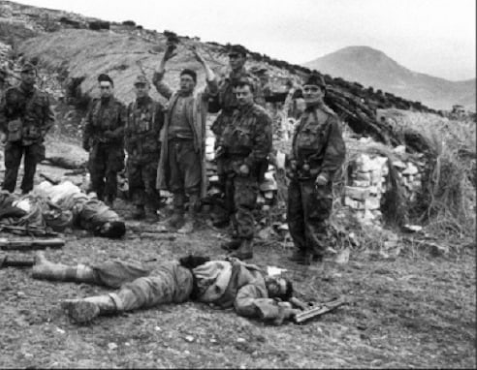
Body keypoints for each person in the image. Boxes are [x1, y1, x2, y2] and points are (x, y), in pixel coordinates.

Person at [32, 252, 298, 325]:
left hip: (183, 283)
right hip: (178, 267)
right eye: (279, 280)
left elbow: (244, 305)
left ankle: (95, 305)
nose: (275, 283)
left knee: (144, 289)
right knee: (116, 269)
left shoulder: (256, 289)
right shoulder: (255, 271)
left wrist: (281, 309)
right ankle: (51, 269)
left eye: (279, 288)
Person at [0, 180, 126, 239]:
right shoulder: (49, 215)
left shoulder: (42, 214)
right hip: (6, 206)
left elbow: (9, 212)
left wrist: (37, 200)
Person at [286, 73, 346, 265]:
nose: (309, 93)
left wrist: (326, 173)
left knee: (315, 216)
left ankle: (317, 255)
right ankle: (301, 250)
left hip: (316, 177)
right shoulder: (304, 115)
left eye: (314, 89)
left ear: (322, 93)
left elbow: (336, 149)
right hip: (299, 175)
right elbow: (296, 143)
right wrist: (292, 161)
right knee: (295, 213)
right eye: (306, 89)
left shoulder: (329, 118)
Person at [153, 43, 209, 234]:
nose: (184, 83)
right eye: (182, 80)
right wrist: (165, 57)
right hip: (172, 146)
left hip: (189, 148)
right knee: (175, 183)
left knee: (192, 185)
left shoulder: (198, 100)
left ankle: (191, 220)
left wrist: (202, 61)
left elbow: (213, 85)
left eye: (188, 80)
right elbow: (156, 80)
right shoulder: (173, 97)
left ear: (194, 83)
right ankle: (177, 216)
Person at [215, 80, 273, 260]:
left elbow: (263, 147)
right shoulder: (236, 114)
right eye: (238, 94)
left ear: (252, 94)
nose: (240, 97)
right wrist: (222, 149)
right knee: (232, 203)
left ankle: (246, 244)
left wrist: (248, 164)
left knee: (244, 205)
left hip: (246, 167)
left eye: (244, 93)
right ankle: (237, 237)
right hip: (230, 165)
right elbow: (228, 136)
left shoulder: (261, 116)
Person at [0, 63, 55, 195]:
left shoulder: (42, 96)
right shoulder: (10, 93)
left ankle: (26, 194)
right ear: (21, 75)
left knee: (30, 169)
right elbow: (0, 114)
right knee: (11, 168)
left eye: (32, 74)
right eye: (26, 73)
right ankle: (6, 195)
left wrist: (41, 132)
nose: (29, 77)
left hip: (33, 139)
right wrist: (7, 130)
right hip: (14, 138)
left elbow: (50, 118)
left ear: (36, 76)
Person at [200, 44, 266, 144]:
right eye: (230, 57)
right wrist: (210, 96)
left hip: (244, 129)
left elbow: (260, 110)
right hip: (224, 129)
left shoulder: (252, 82)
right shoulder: (224, 81)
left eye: (236, 57)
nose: (232, 60)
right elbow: (214, 108)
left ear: (244, 59)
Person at [124, 74, 165, 222]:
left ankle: (152, 210)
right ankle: (138, 207)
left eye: (143, 86)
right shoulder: (130, 107)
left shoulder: (157, 108)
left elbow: (163, 129)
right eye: (137, 86)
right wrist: (128, 146)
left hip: (151, 153)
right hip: (135, 152)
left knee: (151, 183)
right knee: (135, 181)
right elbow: (127, 129)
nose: (140, 89)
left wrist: (159, 147)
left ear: (149, 88)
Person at [82, 74, 127, 207]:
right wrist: (86, 139)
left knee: (111, 173)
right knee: (95, 172)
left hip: (113, 145)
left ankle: (110, 200)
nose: (105, 91)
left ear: (112, 89)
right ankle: (98, 197)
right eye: (102, 88)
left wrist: (114, 134)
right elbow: (89, 122)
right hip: (98, 143)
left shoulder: (120, 106)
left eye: (107, 88)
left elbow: (125, 126)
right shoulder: (95, 104)